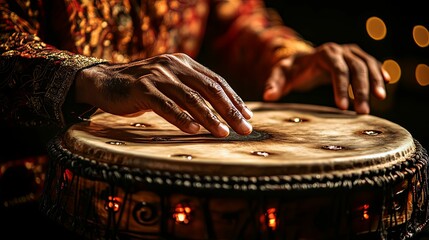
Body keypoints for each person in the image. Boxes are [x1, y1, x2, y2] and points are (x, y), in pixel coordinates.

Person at [0, 0, 390, 237]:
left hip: (172, 202)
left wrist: (287, 55)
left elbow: (232, 18)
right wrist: (91, 77)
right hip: (36, 190)